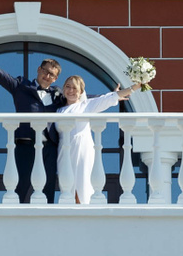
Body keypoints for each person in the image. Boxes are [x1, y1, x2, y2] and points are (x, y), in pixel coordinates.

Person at [0, 36, 63, 200]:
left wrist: (109, 97)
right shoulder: (21, 86)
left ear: (55, 79)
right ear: (39, 69)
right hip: (26, 144)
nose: (47, 75)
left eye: (51, 74)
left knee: (48, 188)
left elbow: (79, 98)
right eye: (45, 71)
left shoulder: (58, 94)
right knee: (22, 188)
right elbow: (0, 75)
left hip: (49, 147)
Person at [56, 76, 135, 205]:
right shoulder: (58, 110)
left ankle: (83, 210)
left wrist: (135, 86)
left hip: (82, 148)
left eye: (75, 88)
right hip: (64, 152)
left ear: (81, 92)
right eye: (68, 87)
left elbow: (107, 99)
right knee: (66, 186)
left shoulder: (86, 105)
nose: (70, 90)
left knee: (82, 183)